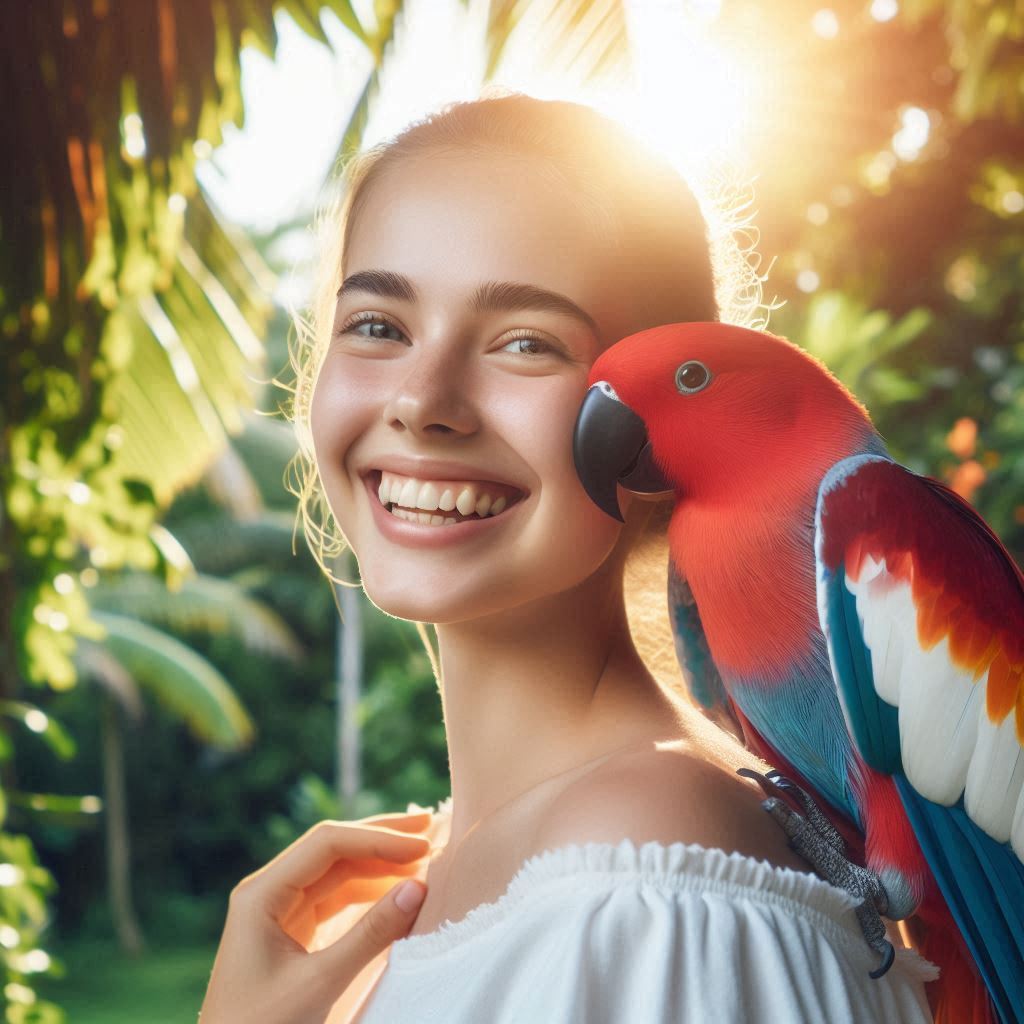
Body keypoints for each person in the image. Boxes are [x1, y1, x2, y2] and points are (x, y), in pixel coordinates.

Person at [200, 90, 939, 1023]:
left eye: (528, 343)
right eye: (380, 326)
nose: (424, 400)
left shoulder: (645, 875)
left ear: (642, 433)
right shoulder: (462, 872)